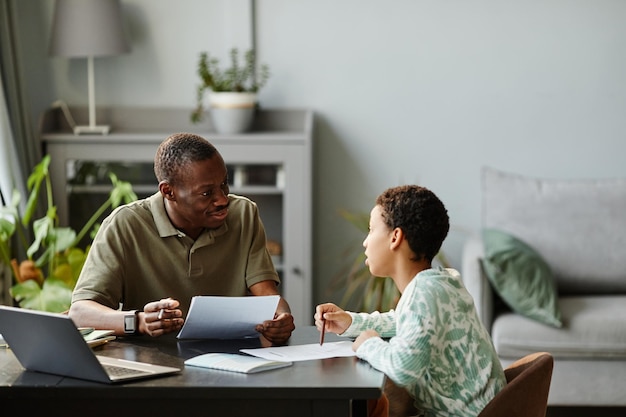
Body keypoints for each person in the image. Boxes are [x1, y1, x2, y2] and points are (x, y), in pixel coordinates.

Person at [69, 132, 295, 344]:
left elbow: (267, 295)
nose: (222, 199)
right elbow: (80, 312)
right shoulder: (124, 224)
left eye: (224, 184)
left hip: (231, 359)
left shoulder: (244, 214)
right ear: (168, 192)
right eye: (207, 193)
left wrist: (281, 317)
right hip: (153, 366)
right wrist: (137, 321)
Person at [314, 185, 505, 417]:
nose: (365, 242)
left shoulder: (424, 292)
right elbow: (403, 322)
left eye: (371, 230)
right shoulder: (440, 283)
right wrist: (350, 322)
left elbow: (404, 367)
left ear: (395, 237)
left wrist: (368, 344)